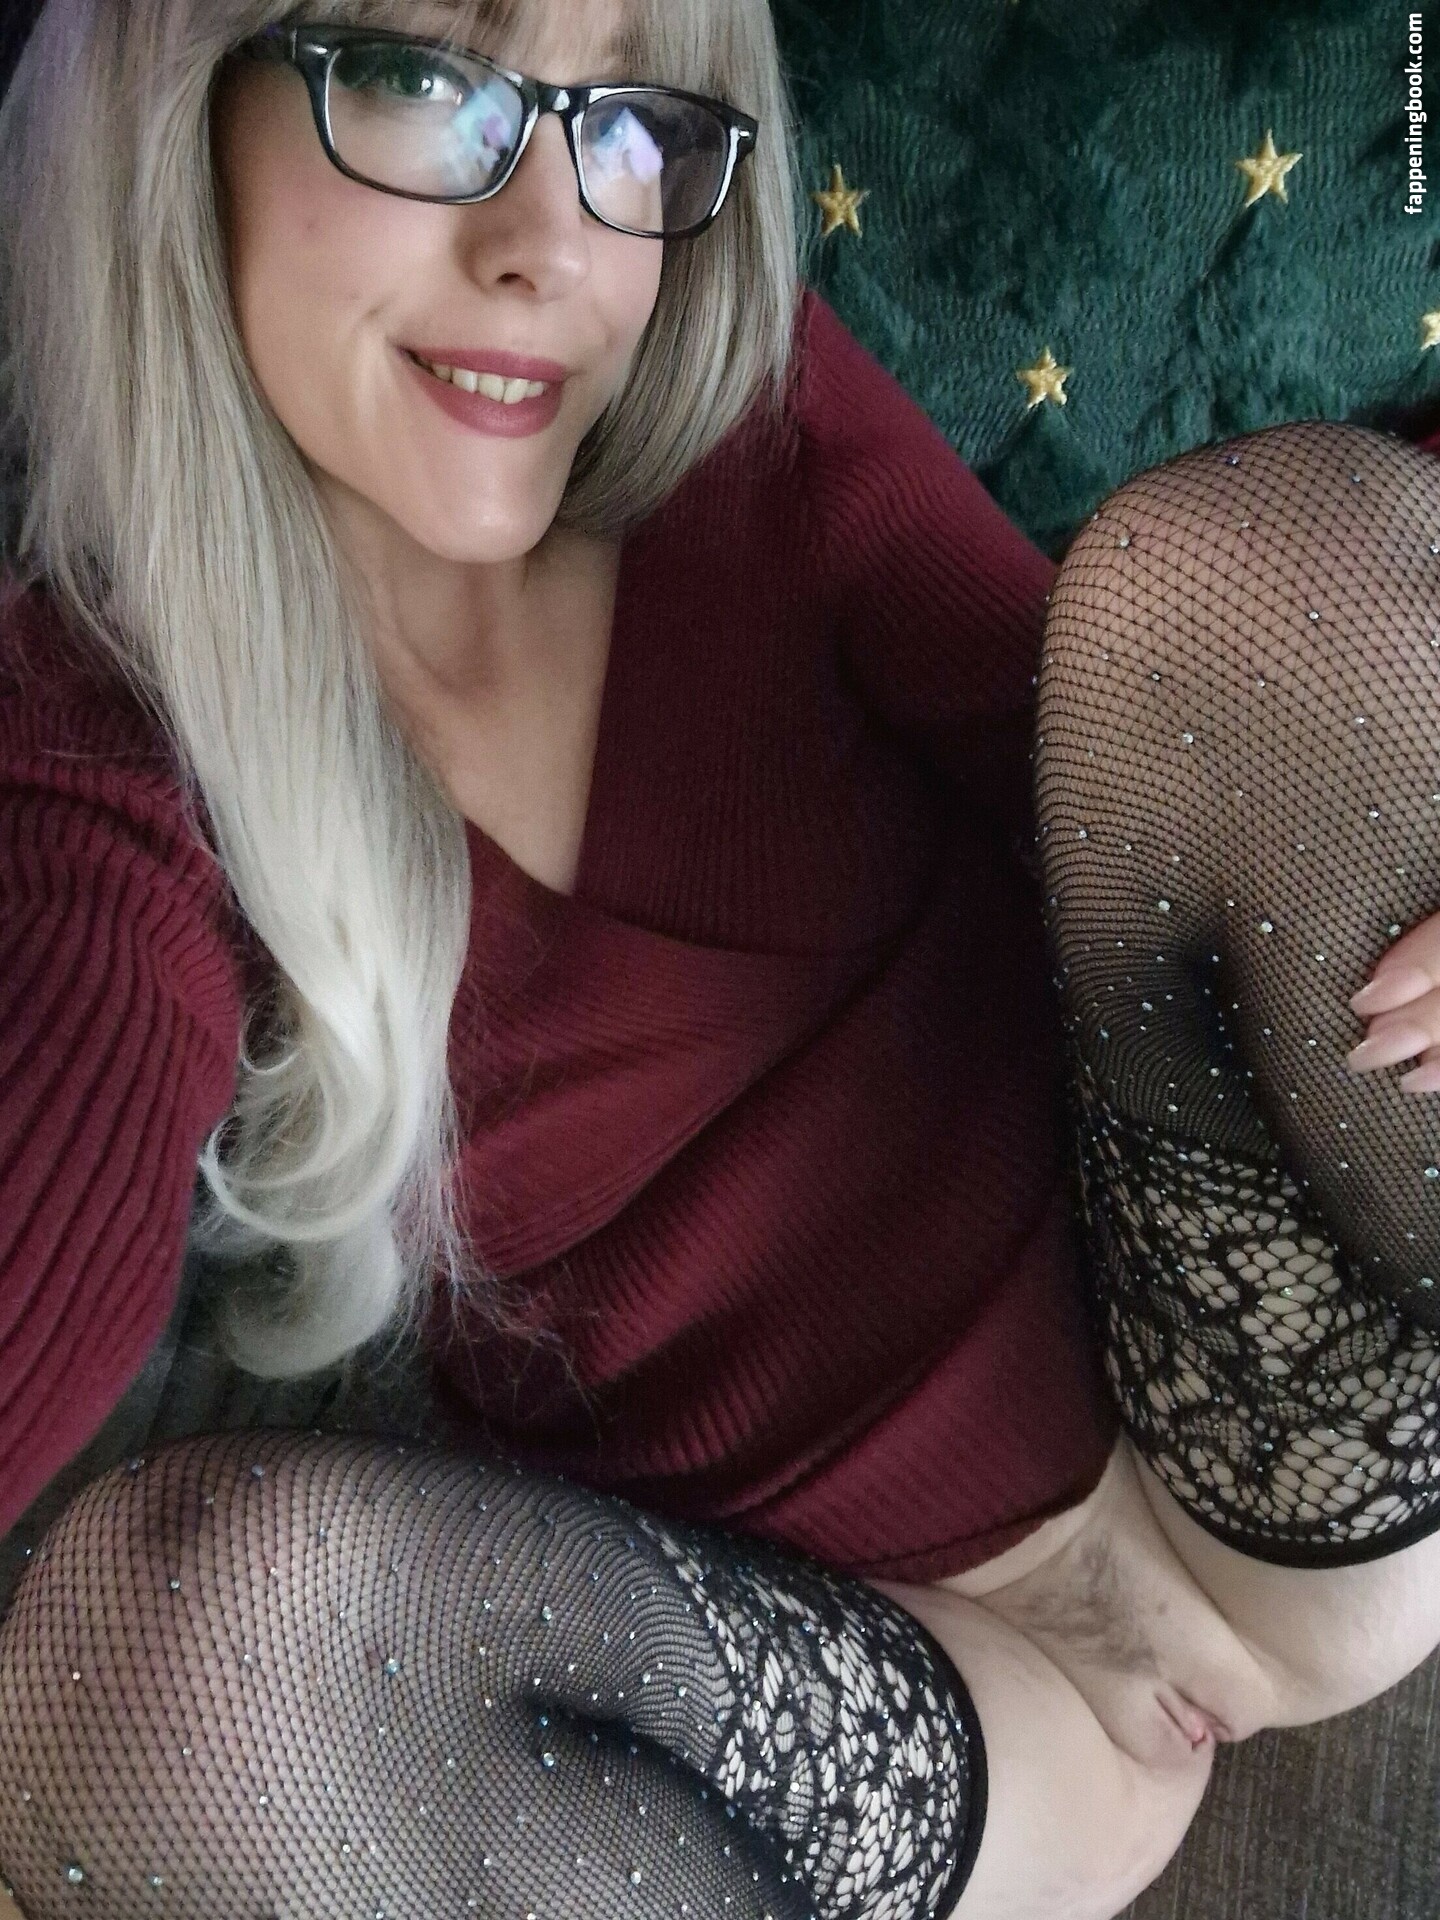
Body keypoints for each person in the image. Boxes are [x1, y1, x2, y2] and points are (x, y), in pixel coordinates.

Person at [2, 0, 1440, 1915]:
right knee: (146, 1666)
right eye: (424, 82)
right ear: (177, 105)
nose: (550, 244)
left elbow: (1166, 750)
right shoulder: (102, 727)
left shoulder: (747, 427)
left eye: (628, 119)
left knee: (1243, 576)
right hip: (922, 1713)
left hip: (1290, 1421)